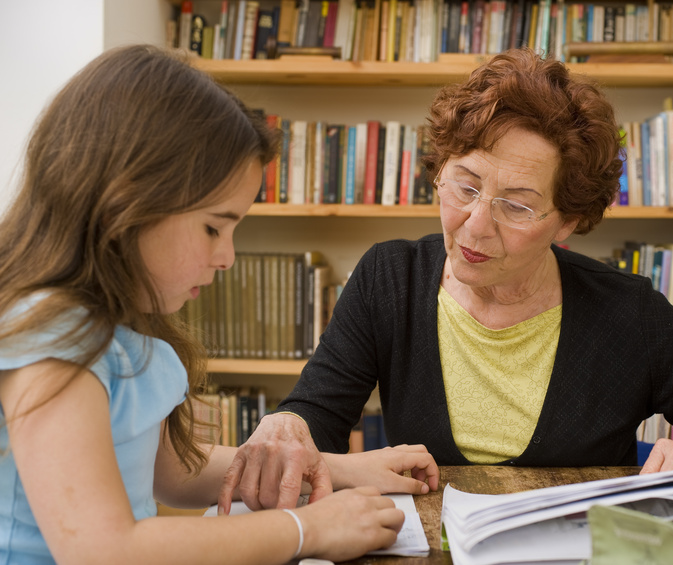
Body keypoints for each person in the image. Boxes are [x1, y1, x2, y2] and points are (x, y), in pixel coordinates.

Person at [220, 47, 673, 512]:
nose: (475, 226)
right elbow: (315, 417)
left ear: (569, 221)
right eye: (465, 186)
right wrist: (285, 425)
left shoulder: (626, 313)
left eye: (517, 204)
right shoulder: (390, 278)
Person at [0, 44, 439, 565]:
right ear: (125, 202)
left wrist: (334, 468)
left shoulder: (127, 330)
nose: (227, 257)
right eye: (213, 227)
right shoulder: (52, 339)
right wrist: (306, 529)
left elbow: (170, 473)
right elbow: (105, 549)